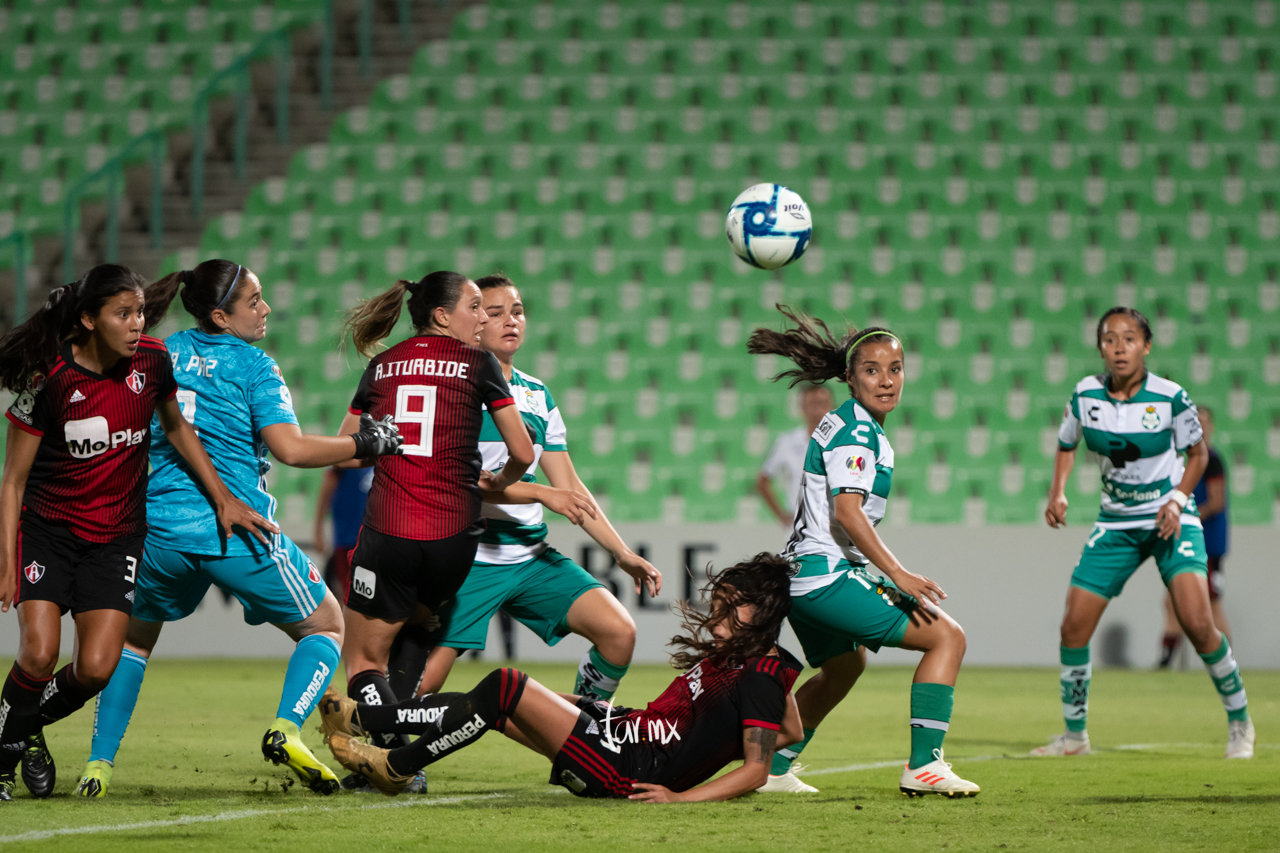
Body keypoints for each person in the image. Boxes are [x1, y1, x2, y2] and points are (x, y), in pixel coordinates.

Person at [72, 260, 403, 798]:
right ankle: (287, 728)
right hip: (235, 527)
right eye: (254, 301)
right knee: (324, 626)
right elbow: (290, 450)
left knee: (134, 644)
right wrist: (365, 443)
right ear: (222, 316)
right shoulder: (254, 366)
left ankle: (97, 767)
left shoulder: (164, 352)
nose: (266, 308)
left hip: (159, 530)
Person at [0, 264, 277, 801]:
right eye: (123, 314)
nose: (136, 325)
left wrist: (225, 500)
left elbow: (176, 427)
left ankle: (25, 723)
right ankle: (5, 755)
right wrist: (7, 562)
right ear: (88, 318)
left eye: (140, 313)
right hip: (50, 534)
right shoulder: (49, 379)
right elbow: (12, 481)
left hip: (117, 538)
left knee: (97, 669)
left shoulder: (152, 361)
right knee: (37, 654)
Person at [319, 553, 804, 802]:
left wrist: (680, 797)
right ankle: (366, 719)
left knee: (506, 686)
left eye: (724, 611)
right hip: (621, 732)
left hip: (630, 768)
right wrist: (718, 737)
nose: (714, 621)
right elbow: (792, 732)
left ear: (757, 614)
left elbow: (757, 769)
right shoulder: (757, 663)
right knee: (501, 704)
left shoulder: (760, 674)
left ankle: (394, 760)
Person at [746, 306, 979, 797]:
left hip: (804, 576)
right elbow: (848, 512)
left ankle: (773, 768)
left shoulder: (846, 422)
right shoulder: (856, 432)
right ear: (851, 379)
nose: (887, 380)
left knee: (845, 667)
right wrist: (898, 573)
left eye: (895, 369)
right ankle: (924, 765)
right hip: (826, 576)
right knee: (948, 639)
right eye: (872, 371)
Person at [414, 274, 661, 704]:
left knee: (619, 632)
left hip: (530, 557)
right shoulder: (457, 389)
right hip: (472, 559)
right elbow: (464, 484)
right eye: (494, 312)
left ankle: (582, 737)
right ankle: (376, 754)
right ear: (473, 321)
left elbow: (569, 486)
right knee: (421, 683)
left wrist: (621, 553)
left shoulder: (537, 394)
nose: (511, 320)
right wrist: (544, 495)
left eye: (518, 311)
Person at [335, 270, 536, 771]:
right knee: (417, 634)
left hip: (391, 530)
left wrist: (383, 446)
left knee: (363, 662)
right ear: (443, 316)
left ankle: (379, 730)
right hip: (455, 540)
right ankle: (393, 763)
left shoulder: (381, 366)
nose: (484, 316)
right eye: (475, 307)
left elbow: (347, 453)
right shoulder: (479, 362)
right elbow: (523, 451)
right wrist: (498, 479)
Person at [1033, 307, 1253, 760]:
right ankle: (1075, 737)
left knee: (1198, 623)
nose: (1119, 347)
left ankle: (1240, 719)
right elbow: (1066, 444)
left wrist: (1175, 501)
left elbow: (1198, 456)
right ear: (1100, 347)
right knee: (1073, 627)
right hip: (1115, 522)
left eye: (1129, 338)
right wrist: (1058, 492)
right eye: (1109, 338)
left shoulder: (1171, 397)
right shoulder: (1085, 395)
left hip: (1170, 517)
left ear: (1146, 346)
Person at [1158, 405, 1230, 668]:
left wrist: (1181, 514)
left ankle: (1224, 661)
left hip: (1207, 544)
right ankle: (1166, 660)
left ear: (1211, 426)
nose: (1200, 425)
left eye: (1204, 421)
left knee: (1211, 604)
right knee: (1172, 601)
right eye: (1195, 421)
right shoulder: (1185, 459)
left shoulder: (1211, 461)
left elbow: (1216, 502)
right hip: (1186, 542)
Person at [756, 384, 835, 526]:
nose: (818, 409)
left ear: (832, 407)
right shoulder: (787, 442)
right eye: (813, 403)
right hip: (800, 528)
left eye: (823, 403)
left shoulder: (845, 443)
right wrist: (781, 515)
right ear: (802, 407)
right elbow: (762, 480)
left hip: (835, 527)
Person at [313, 466, 374, 598]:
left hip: (374, 540)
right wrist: (318, 532)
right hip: (347, 539)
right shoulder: (345, 459)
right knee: (348, 592)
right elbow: (325, 493)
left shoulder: (382, 459)